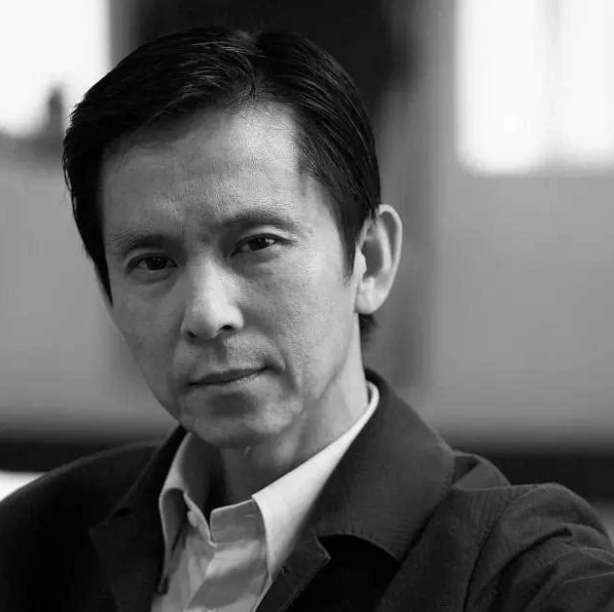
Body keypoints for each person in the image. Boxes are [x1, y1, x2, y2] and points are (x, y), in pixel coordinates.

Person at [0, 26, 613, 612]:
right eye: (153, 263)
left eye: (257, 244)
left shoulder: (512, 566)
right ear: (109, 293)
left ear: (370, 260)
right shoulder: (35, 543)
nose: (206, 314)